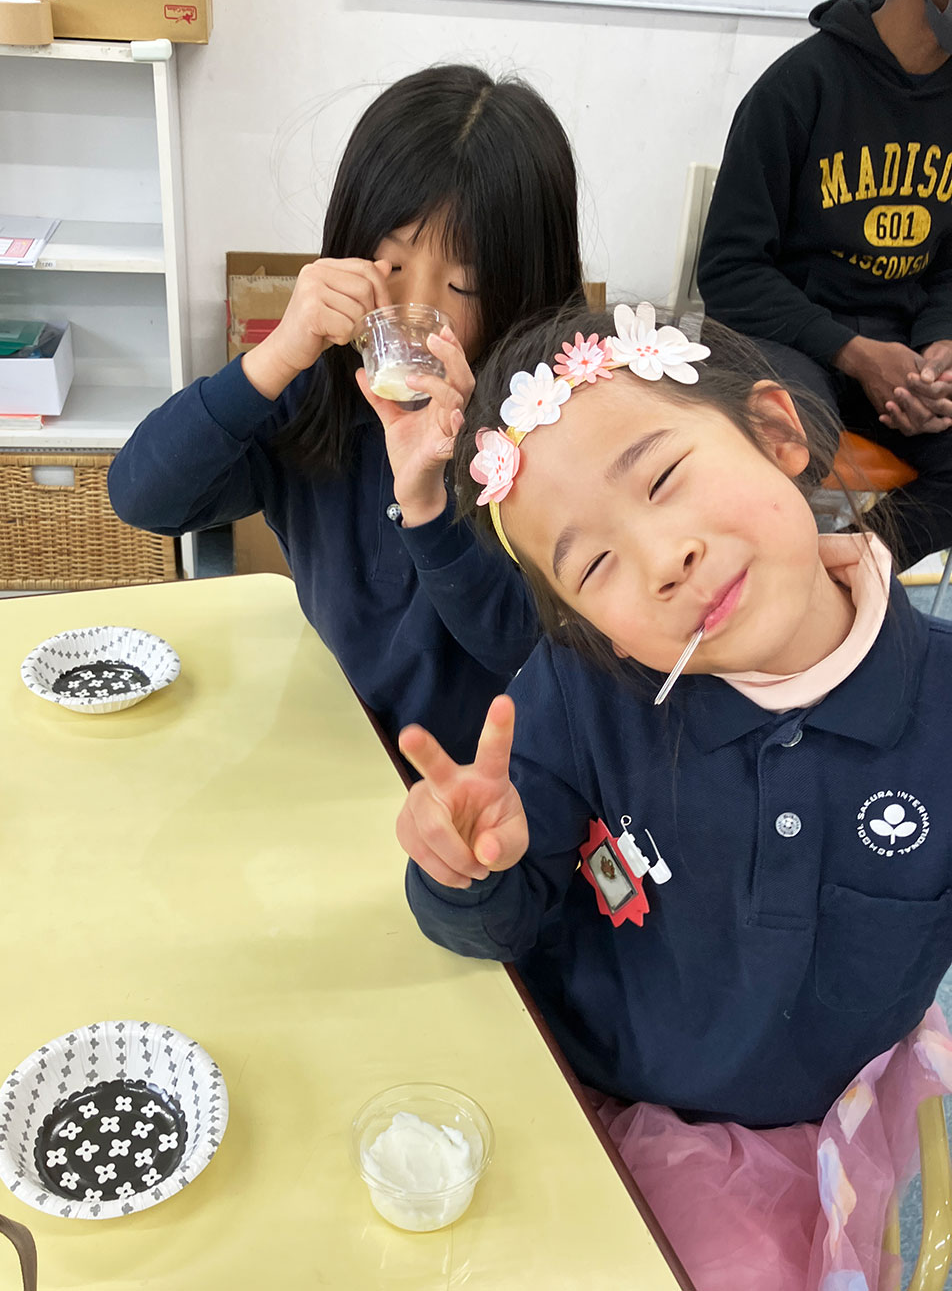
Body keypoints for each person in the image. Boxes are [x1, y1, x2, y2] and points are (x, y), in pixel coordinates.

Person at [394, 300, 952, 1289]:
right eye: (595, 564)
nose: (663, 561)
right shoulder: (579, 694)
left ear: (778, 434)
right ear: (591, 626)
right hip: (587, 1104)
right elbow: (498, 929)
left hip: (830, 1133)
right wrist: (466, 869)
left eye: (663, 478)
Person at [109, 64, 583, 765]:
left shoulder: (549, 425)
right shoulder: (314, 396)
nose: (415, 309)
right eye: (389, 266)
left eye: (464, 284)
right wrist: (273, 359)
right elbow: (142, 496)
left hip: (490, 782)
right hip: (337, 746)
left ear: (522, 289)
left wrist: (430, 501)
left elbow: (524, 644)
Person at [697, 0, 952, 569]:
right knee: (790, 436)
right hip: (789, 341)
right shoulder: (797, 87)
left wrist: (941, 346)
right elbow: (730, 269)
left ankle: (841, 575)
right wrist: (855, 352)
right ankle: (768, 582)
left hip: (902, 349)